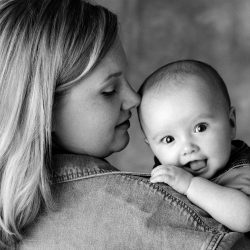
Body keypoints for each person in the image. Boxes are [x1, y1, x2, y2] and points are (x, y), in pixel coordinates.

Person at [0, 0, 249, 249]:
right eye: (109, 90)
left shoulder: (17, 219)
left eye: (200, 127)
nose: (134, 99)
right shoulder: (145, 209)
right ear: (46, 111)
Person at [138, 59, 250, 233]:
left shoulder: (242, 171)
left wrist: (190, 185)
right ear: (151, 146)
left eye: (200, 128)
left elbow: (245, 219)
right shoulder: (168, 171)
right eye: (169, 139)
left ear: (231, 123)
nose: (188, 147)